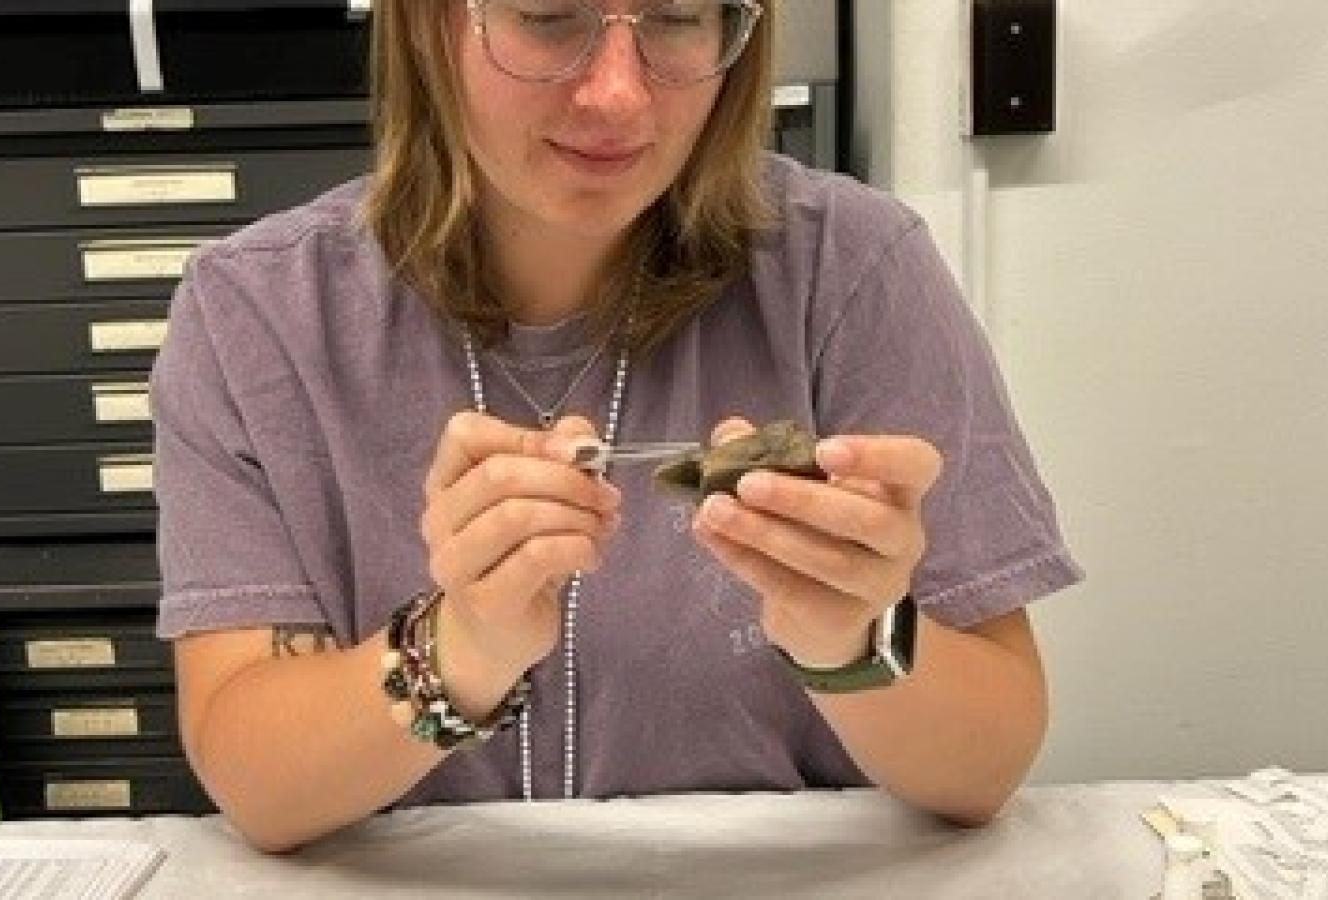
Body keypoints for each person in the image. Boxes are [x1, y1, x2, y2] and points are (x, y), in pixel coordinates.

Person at [150, 0, 1083, 854]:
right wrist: (460, 649)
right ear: (429, 23)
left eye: (678, 19)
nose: (617, 94)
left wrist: (852, 637)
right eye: (550, 16)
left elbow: (987, 767)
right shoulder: (257, 316)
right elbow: (259, 787)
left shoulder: (854, 273)